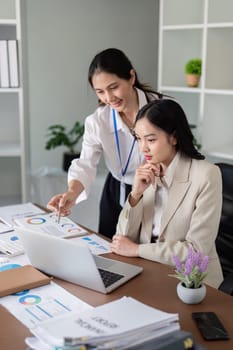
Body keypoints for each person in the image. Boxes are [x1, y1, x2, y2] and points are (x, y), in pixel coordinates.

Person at [47, 48, 164, 238]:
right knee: (111, 251)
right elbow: (85, 163)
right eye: (100, 92)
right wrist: (71, 193)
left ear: (131, 77)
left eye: (113, 87)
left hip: (157, 190)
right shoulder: (97, 121)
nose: (109, 98)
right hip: (116, 190)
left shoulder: (163, 109)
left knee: (150, 254)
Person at [111, 99, 224, 289]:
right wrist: (136, 194)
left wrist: (137, 250)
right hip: (148, 273)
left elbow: (196, 252)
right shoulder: (148, 169)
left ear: (174, 137)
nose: (143, 148)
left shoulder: (206, 175)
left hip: (192, 284)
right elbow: (121, 239)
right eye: (138, 139)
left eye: (151, 139)